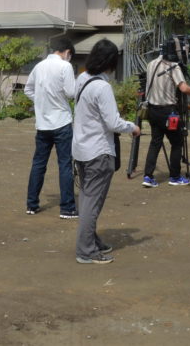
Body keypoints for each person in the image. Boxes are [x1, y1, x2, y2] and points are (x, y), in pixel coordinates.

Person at [72, 39, 140, 264]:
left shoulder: (82, 78)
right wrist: (132, 127)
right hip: (98, 151)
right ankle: (86, 251)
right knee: (93, 201)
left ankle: (91, 240)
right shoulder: (102, 87)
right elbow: (113, 122)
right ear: (111, 62)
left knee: (87, 198)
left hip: (81, 148)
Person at [24, 37, 77, 217]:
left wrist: (40, 100)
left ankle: (32, 204)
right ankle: (67, 207)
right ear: (67, 53)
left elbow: (28, 89)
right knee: (65, 165)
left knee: (39, 164)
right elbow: (71, 92)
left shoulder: (39, 66)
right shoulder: (65, 66)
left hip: (43, 124)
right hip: (61, 121)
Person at [141, 51, 190, 187]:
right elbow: (183, 87)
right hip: (168, 112)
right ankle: (175, 177)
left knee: (155, 143)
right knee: (177, 142)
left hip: (152, 110)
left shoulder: (151, 64)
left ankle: (148, 177)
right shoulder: (173, 66)